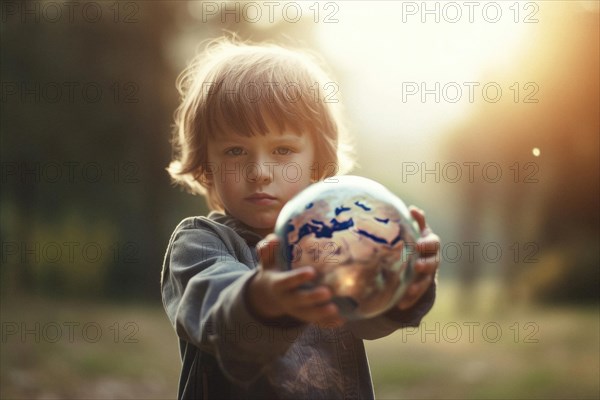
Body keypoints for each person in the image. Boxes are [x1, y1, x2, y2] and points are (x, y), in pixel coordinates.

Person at [161, 38, 440, 400]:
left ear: (317, 163)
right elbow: (216, 318)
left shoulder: (338, 239)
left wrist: (404, 285)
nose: (259, 171)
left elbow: (368, 319)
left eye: (282, 150)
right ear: (206, 167)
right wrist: (265, 299)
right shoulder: (198, 242)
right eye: (234, 151)